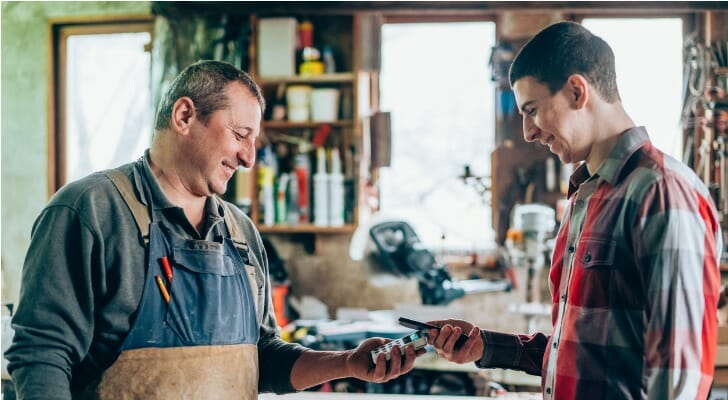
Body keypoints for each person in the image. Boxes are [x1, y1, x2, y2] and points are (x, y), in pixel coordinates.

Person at [5, 60, 420, 399]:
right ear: (185, 115)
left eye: (254, 141)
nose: (249, 157)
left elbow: (263, 358)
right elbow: (42, 355)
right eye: (240, 134)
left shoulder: (240, 233)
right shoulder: (90, 211)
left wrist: (346, 363)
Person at [427, 21, 722, 399]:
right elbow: (584, 353)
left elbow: (678, 376)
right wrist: (485, 345)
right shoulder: (588, 195)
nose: (528, 133)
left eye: (531, 110)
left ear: (577, 91)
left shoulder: (661, 192)